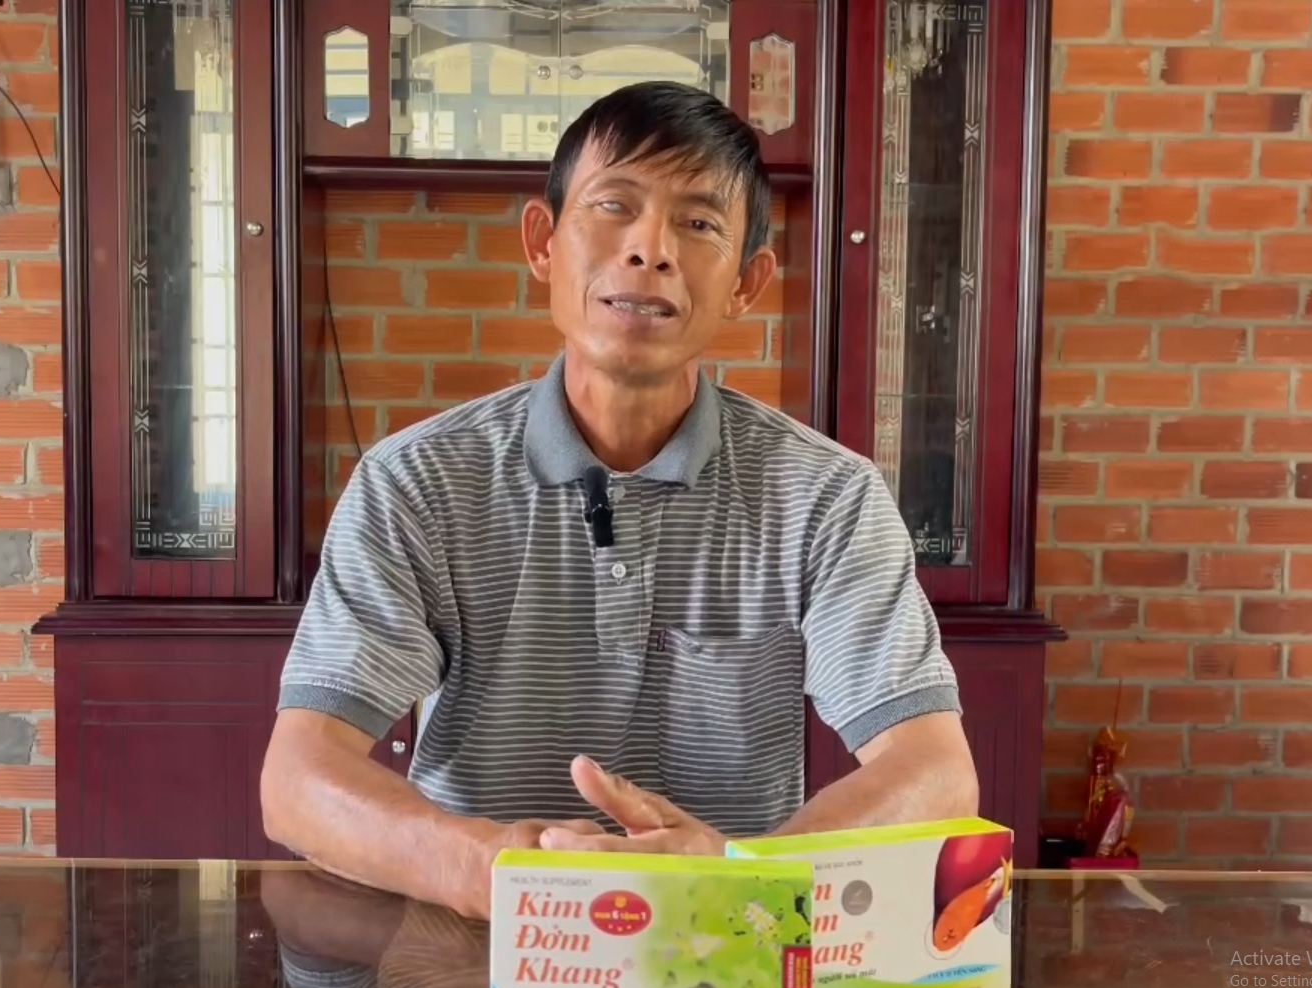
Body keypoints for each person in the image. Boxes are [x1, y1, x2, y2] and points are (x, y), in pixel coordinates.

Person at [260, 80, 977, 920]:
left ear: (746, 284)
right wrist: (489, 867)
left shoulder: (827, 497)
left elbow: (936, 770)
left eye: (699, 223)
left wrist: (742, 870)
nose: (649, 249)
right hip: (478, 952)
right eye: (614, 205)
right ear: (543, 242)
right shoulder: (414, 482)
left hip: (725, 945)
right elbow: (297, 778)